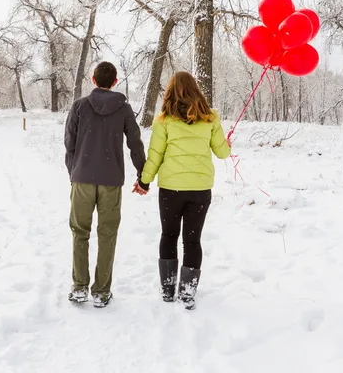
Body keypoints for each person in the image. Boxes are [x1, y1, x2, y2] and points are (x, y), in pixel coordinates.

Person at [133, 71, 231, 310]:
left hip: (171, 188)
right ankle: (187, 292)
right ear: (195, 89)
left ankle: (168, 289)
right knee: (192, 240)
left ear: (170, 92)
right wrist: (226, 142)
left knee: (169, 235)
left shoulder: (164, 120)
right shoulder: (210, 118)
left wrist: (144, 182)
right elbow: (223, 153)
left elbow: (155, 155)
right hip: (200, 189)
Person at [65, 61, 145, 307]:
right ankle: (101, 291)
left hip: (83, 180)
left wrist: (75, 172)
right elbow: (135, 144)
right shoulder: (123, 109)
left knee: (80, 233)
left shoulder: (79, 107)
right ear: (114, 81)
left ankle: (79, 287)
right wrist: (143, 175)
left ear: (92, 79)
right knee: (107, 234)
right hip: (111, 181)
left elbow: (70, 143)